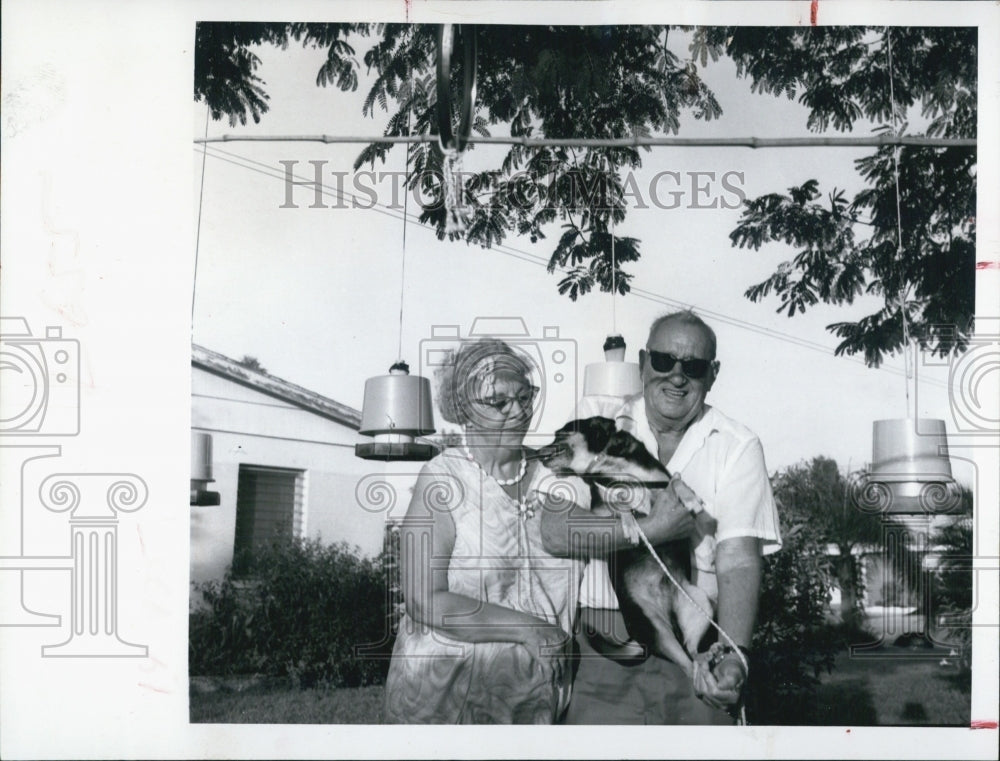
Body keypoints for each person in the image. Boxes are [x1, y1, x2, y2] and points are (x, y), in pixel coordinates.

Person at [541, 310, 782, 724]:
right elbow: (555, 531)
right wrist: (653, 528)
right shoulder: (597, 417)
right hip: (604, 650)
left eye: (693, 366)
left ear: (713, 373)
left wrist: (733, 659)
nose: (676, 376)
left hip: (699, 644)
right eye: (663, 361)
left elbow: (739, 559)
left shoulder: (737, 445)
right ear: (641, 362)